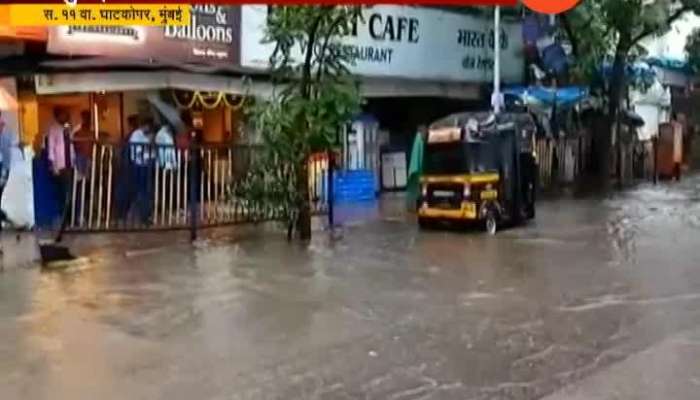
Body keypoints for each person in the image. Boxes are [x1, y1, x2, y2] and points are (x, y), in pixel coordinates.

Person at [47, 106, 76, 241]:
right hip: (60, 165)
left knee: (69, 193)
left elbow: (71, 146)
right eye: (63, 114)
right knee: (64, 193)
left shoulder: (67, 129)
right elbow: (51, 148)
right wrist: (53, 166)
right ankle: (64, 221)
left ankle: (68, 220)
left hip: (70, 164)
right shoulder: (53, 129)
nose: (66, 117)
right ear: (57, 116)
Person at [128, 116, 155, 225]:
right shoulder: (136, 135)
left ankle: (144, 215)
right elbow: (137, 151)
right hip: (139, 165)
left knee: (146, 191)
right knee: (142, 191)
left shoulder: (146, 135)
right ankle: (140, 216)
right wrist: (148, 143)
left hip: (146, 165)